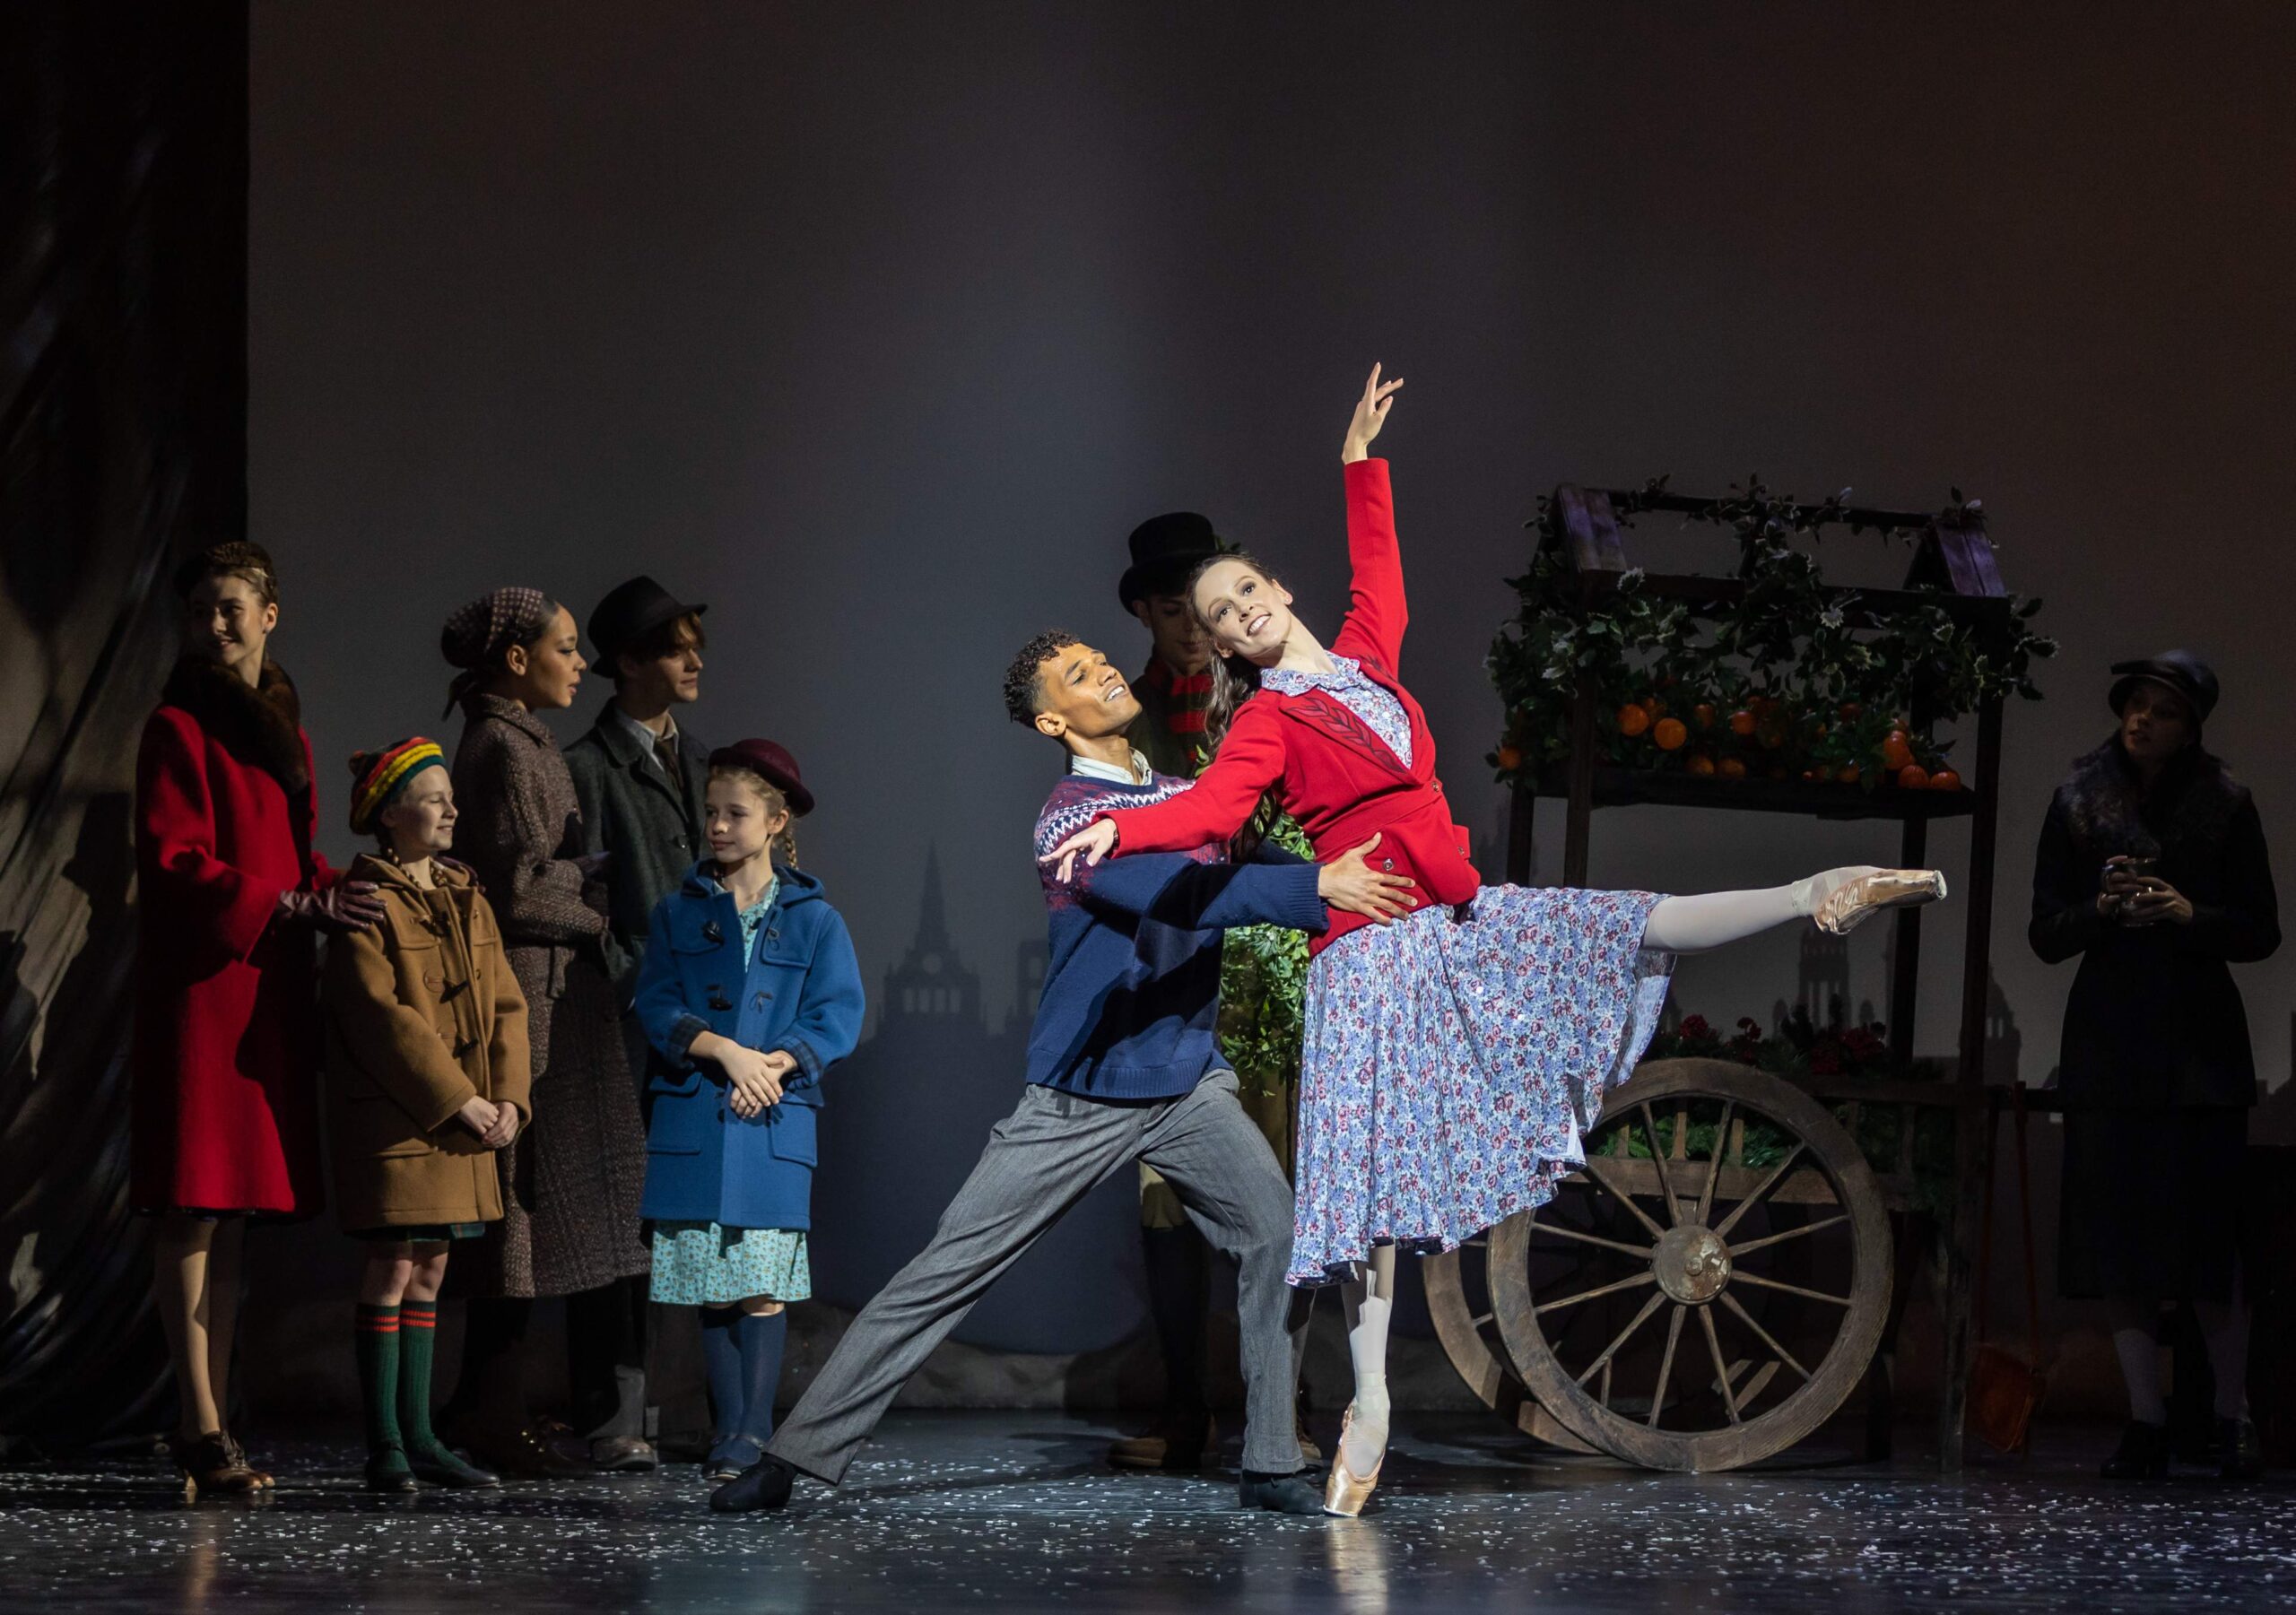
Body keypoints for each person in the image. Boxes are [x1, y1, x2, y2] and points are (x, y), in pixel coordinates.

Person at [1044, 367, 1949, 1514]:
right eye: (1220, 617)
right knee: (1366, 1200)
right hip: (1367, 953)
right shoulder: (1266, 720)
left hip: (1452, 916)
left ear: (1276, 586)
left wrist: (1356, 461)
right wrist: (1118, 823)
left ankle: (1815, 887)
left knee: (1616, 924)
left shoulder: (1370, 659)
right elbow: (1212, 817)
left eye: (1246, 591)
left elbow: (1379, 569)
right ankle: (1366, 1399)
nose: (1239, 615)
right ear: (1220, 645)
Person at [705, 631, 1416, 1516]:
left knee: (1280, 1237)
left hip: (1186, 1083)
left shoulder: (1180, 795)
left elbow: (1247, 855)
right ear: (1052, 718)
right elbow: (1175, 893)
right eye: (1079, 676)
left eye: (1101, 661)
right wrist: (1316, 890)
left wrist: (1349, 873)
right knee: (944, 1272)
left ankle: (1272, 1459)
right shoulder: (1069, 820)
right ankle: (793, 1457)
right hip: (1082, 1092)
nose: (1108, 672)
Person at [133, 540, 385, 1497]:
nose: (216, 623)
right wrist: (286, 906)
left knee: (231, 1215)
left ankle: (214, 1421)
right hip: (206, 989)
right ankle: (198, 1425)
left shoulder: (286, 729)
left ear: (270, 613)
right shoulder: (176, 727)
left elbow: (292, 857)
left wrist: (350, 887)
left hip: (262, 990)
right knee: (193, 1204)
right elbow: (174, 858)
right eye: (201, 609)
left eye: (231, 605)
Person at [2030, 650, 2278, 1481]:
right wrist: (2100, 911)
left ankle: (2229, 1419)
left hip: (2199, 1050)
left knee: (2208, 1247)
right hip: (2109, 1044)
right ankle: (2146, 1417)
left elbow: (2261, 929)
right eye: (2134, 705)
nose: (2142, 720)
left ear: (2191, 725)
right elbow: (2045, 931)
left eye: (2162, 710)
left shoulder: (2226, 802)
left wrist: (2188, 911)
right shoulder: (2078, 797)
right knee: (2119, 1245)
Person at [433, 588, 654, 1475]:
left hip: (559, 992)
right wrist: (593, 905)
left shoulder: (524, 740)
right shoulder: (501, 745)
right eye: (565, 647)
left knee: (540, 1209)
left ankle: (486, 1405)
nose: (579, 662)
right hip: (535, 993)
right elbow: (516, 890)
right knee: (518, 1207)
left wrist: (575, 882)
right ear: (517, 658)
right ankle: (488, 1409)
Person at [1114, 511, 1317, 1472]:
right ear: (1148, 613)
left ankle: (1287, 1405)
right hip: (1179, 968)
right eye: (1170, 607)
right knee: (1166, 1197)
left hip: (1273, 961)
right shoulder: (1127, 713)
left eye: (1202, 602)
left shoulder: (1269, 690)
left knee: (1283, 1194)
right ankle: (1184, 1409)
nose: (1192, 623)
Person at [633, 740, 864, 1484]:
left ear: (776, 820)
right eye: (711, 812)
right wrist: (725, 1053)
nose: (719, 827)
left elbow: (837, 1013)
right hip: (697, 1116)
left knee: (759, 1282)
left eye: (736, 814)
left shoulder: (815, 919)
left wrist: (775, 1061)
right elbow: (657, 1003)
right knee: (711, 1279)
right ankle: (724, 1428)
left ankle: (751, 1431)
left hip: (773, 1117)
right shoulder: (678, 912)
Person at [325, 739, 528, 1491]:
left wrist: (508, 1096)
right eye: (433, 796)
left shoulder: (464, 893)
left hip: (462, 1123)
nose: (449, 808)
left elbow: (507, 1003)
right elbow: (381, 1020)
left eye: (450, 795)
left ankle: (421, 1435)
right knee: (392, 1264)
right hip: (400, 1120)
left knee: (433, 1268)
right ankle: (386, 1444)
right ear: (389, 814)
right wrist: (462, 1099)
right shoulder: (367, 900)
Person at [564, 576, 714, 1460]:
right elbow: (568, 898)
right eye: (673, 646)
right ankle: (611, 1414)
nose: (694, 659)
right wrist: (628, 981)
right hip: (621, 1026)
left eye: (694, 644)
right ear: (626, 664)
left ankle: (687, 1406)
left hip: (705, 1031)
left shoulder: (703, 762)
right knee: (614, 1219)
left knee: (692, 1213)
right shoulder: (583, 769)